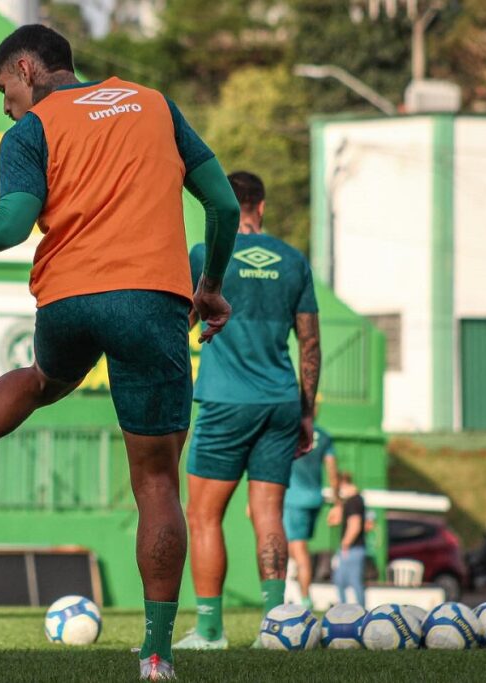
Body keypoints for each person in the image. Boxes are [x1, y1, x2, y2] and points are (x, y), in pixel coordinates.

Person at [0, 25, 240, 680]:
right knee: (156, 483)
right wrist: (209, 284)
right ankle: (156, 656)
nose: (6, 105)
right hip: (152, 300)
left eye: (4, 90)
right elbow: (220, 201)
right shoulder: (154, 103)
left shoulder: (29, 133)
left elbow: (13, 224)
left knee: (43, 377)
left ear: (27, 67)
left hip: (68, 300)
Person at [173, 171, 321, 650]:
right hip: (280, 402)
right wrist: (306, 413)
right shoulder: (295, 260)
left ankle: (212, 631)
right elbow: (311, 344)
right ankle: (275, 628)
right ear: (262, 206)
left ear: (226, 204)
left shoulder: (205, 255)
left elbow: (183, 322)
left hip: (224, 402)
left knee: (202, 516)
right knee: (268, 513)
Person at [283, 402, 339, 610]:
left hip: (294, 498)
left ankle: (306, 599)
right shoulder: (324, 436)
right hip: (315, 498)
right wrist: (337, 502)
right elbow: (332, 469)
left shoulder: (291, 432)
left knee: (298, 550)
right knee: (294, 547)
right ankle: (297, 585)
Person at [332, 472, 366, 607]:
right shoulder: (357, 500)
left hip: (352, 548)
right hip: (354, 548)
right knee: (341, 580)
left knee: (352, 581)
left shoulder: (353, 502)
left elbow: (355, 525)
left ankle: (352, 610)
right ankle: (347, 608)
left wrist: (345, 544)